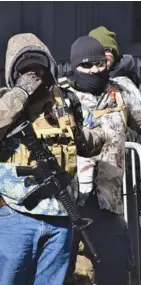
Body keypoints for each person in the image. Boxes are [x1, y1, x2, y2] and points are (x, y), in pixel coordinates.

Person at [0, 33, 105, 285]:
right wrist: (20, 93)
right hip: (18, 214)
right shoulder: (7, 100)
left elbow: (98, 136)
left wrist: (77, 135)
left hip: (61, 214)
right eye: (26, 69)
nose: (34, 74)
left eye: (39, 67)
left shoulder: (67, 100)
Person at [60, 35, 141, 285]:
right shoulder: (60, 97)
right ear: (73, 66)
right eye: (86, 65)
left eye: (99, 63)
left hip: (109, 204)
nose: (94, 70)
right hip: (68, 203)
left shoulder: (119, 92)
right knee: (71, 273)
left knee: (115, 269)